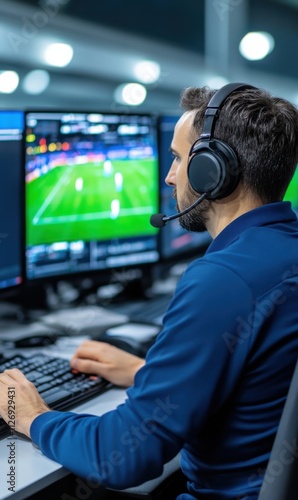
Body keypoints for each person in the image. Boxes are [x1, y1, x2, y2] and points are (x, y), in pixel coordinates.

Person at [1, 83, 298, 500]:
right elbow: (257, 388)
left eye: (178, 158)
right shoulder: (284, 251)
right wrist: (146, 375)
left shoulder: (223, 280)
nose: (169, 175)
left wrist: (30, 414)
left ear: (213, 170)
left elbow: (122, 457)